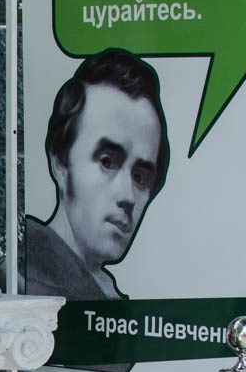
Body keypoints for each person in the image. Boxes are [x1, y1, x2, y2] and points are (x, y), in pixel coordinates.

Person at [26, 49, 170, 301]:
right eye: (107, 162)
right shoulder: (29, 282)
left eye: (140, 177)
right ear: (61, 163)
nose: (128, 196)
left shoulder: (103, 293)